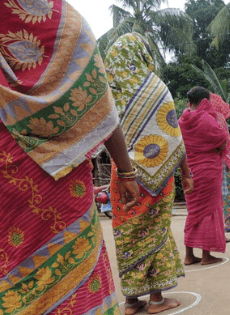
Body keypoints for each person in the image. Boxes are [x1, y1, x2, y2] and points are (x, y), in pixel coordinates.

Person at [0, 1, 140, 314]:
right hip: (62, 181)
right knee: (79, 279)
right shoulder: (64, 21)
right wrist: (127, 172)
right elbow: (100, 103)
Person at [105, 32, 194, 314]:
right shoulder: (156, 88)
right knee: (155, 232)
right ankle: (156, 300)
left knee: (127, 234)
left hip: (122, 175)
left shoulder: (107, 93)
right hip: (158, 175)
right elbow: (173, 136)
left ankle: (131, 301)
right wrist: (186, 173)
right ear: (143, 55)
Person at [179, 87, 229, 266]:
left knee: (193, 212)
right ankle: (206, 255)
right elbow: (222, 138)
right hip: (207, 170)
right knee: (208, 211)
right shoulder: (206, 119)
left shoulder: (181, 120)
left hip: (189, 171)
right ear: (206, 101)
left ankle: (189, 255)